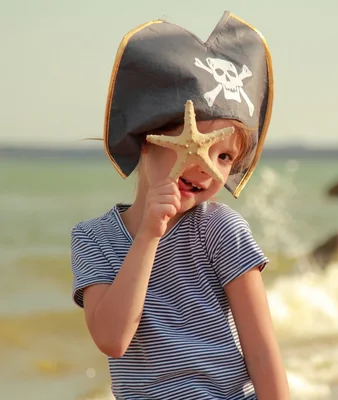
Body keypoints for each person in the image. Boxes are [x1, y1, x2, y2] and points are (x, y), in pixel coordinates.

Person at [70, 11, 289, 400]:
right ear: (149, 138)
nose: (207, 169)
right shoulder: (93, 238)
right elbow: (111, 339)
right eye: (196, 144)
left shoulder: (220, 229)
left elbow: (261, 350)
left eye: (224, 157)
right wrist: (149, 237)